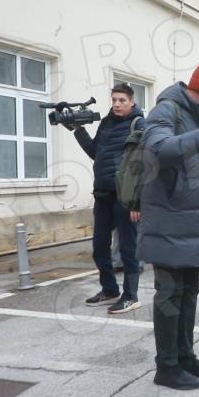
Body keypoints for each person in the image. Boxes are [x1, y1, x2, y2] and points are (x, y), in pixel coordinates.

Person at [137, 62, 199, 390]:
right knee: (169, 295)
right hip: (168, 223)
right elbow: (159, 150)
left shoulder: (198, 117)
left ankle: (185, 357)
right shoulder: (167, 111)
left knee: (189, 292)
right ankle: (167, 366)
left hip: (191, 225)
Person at [73, 83, 144, 314]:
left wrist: (137, 201)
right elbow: (95, 152)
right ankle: (110, 289)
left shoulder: (138, 124)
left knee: (128, 248)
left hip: (126, 196)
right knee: (99, 247)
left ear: (131, 102)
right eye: (114, 100)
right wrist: (77, 130)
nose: (117, 104)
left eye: (122, 100)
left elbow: (144, 164)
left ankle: (131, 296)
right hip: (102, 194)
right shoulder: (106, 123)